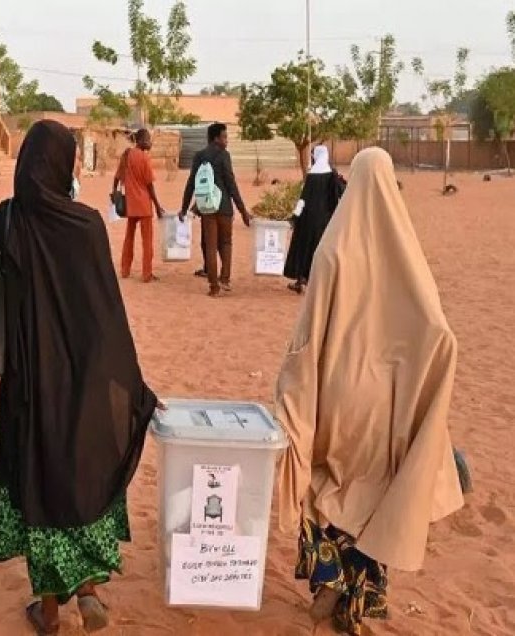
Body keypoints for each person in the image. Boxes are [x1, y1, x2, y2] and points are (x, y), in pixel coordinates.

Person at [0, 120, 158, 635]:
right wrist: (133, 387)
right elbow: (107, 316)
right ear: (62, 167)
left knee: (37, 481)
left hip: (28, 386)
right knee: (79, 475)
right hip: (84, 381)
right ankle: (86, 587)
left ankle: (48, 610)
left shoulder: (6, 222)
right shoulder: (85, 226)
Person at [274, 148, 464, 636]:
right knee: (375, 495)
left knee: (327, 486)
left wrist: (296, 388)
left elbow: (309, 335)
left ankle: (329, 582)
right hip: (388, 407)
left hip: (339, 400)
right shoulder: (408, 256)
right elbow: (440, 330)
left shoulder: (333, 251)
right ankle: (354, 603)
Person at [179, 122, 251, 297]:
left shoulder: (199, 156)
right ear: (216, 138)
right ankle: (224, 279)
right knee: (226, 243)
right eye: (224, 137)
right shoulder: (224, 155)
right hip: (225, 207)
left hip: (207, 208)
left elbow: (191, 184)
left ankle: (214, 287)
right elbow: (231, 184)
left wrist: (184, 208)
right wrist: (243, 211)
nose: (227, 140)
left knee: (210, 246)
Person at [284, 145, 345, 294]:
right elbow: (341, 193)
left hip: (308, 219)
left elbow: (303, 199)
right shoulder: (332, 175)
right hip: (326, 219)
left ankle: (301, 280)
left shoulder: (312, 176)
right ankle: (322, 283)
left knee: (304, 248)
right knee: (322, 249)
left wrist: (295, 216)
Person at [112, 129, 165, 282]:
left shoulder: (127, 155)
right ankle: (146, 273)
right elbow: (150, 185)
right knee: (147, 240)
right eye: (148, 139)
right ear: (140, 140)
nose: (150, 142)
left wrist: (114, 193)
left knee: (129, 237)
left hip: (131, 203)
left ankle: (125, 270)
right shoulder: (144, 158)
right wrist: (157, 205)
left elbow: (117, 178)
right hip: (144, 205)